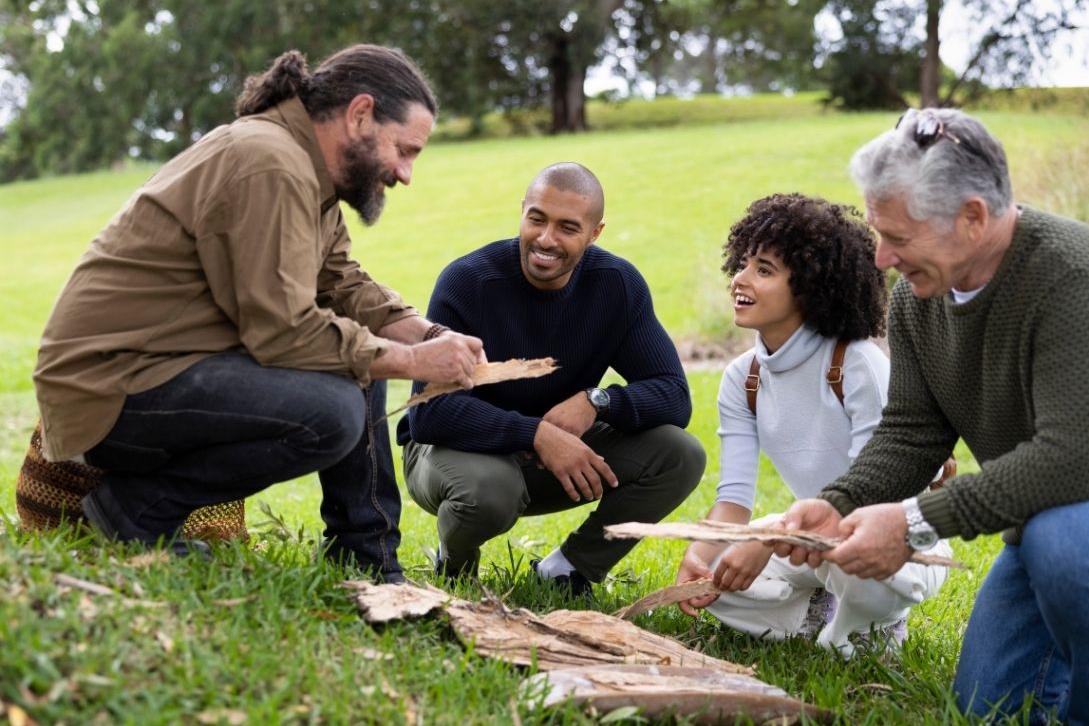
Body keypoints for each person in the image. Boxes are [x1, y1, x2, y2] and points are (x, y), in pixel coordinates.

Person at [33, 45, 485, 582]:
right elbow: (284, 332)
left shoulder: (302, 167)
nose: (405, 174)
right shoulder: (268, 162)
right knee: (335, 409)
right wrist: (413, 361)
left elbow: (343, 284)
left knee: (359, 359)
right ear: (360, 114)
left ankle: (367, 558)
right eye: (404, 150)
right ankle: (135, 514)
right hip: (109, 387)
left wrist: (431, 336)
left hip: (157, 371)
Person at [772, 109, 1089, 722]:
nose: (883, 257)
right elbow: (914, 430)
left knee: (1062, 546)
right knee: (987, 707)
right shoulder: (921, 297)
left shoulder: (1070, 278)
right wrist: (838, 502)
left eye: (899, 236)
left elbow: (1073, 454)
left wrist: (913, 521)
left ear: (972, 217)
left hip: (1070, 522)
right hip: (1044, 518)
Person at [397, 162, 706, 594]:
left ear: (595, 233)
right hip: (455, 453)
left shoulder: (616, 285)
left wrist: (598, 401)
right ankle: (456, 566)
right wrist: (535, 433)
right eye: (536, 219)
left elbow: (674, 396)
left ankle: (567, 570)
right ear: (521, 212)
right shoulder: (468, 281)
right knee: (489, 490)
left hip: (552, 456)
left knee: (680, 454)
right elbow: (431, 414)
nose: (546, 239)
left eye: (567, 227)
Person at [673, 193, 950, 655]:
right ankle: (818, 614)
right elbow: (734, 502)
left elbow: (872, 498)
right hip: (808, 535)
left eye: (764, 270)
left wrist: (773, 537)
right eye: (743, 264)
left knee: (850, 556)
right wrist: (700, 558)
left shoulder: (857, 364)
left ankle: (874, 626)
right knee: (721, 568)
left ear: (810, 288)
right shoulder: (743, 377)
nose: (740, 280)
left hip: (892, 534)